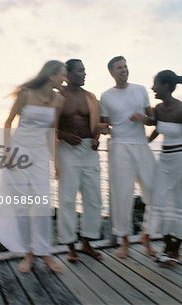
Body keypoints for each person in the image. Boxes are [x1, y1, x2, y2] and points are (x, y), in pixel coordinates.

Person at [0, 60, 67, 273]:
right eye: (63, 74)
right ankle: (28, 253)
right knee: (22, 206)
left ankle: (46, 253)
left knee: (42, 204)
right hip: (19, 153)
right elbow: (8, 122)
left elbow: (52, 132)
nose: (65, 78)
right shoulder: (25, 94)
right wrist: (7, 152)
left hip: (40, 155)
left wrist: (56, 163)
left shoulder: (59, 100)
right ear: (51, 75)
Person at [100, 56, 156, 258]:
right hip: (119, 147)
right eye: (119, 68)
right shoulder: (106, 96)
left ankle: (146, 235)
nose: (124, 70)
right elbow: (104, 123)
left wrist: (142, 118)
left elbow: (152, 120)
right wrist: (102, 130)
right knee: (122, 195)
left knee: (154, 191)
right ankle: (124, 241)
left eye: (125, 66)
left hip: (141, 145)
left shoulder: (140, 90)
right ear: (112, 72)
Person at [147, 70, 182, 267]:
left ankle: (176, 251)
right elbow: (157, 130)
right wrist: (144, 143)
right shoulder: (159, 108)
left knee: (179, 205)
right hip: (164, 161)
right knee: (160, 202)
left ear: (166, 86)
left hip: (181, 161)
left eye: (155, 84)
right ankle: (166, 247)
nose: (153, 88)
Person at [57, 59, 104, 262]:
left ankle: (87, 242)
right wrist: (63, 135)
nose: (84, 74)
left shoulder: (91, 97)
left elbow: (99, 125)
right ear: (68, 74)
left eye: (85, 70)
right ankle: (69, 246)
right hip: (67, 149)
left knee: (93, 198)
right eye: (80, 71)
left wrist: (96, 139)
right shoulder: (58, 97)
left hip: (88, 150)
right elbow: (49, 127)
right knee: (67, 199)